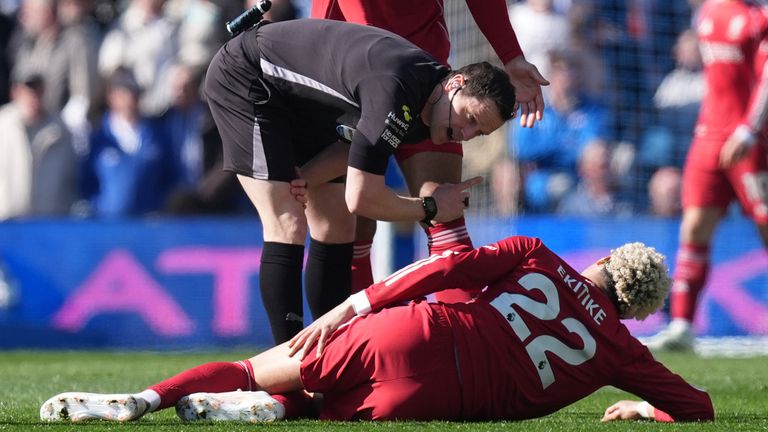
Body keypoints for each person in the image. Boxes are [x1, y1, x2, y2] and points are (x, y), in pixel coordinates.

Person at [39, 235, 714, 423]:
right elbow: (701, 409)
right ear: (635, 311)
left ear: (603, 261)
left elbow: (442, 266)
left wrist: (352, 307)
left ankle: (144, 401)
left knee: (252, 369)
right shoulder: (621, 352)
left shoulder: (537, 254)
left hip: (415, 333)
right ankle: (275, 412)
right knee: (319, 406)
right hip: (438, 401)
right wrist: (643, 409)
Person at [202, 18, 517, 344]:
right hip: (247, 75)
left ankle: (330, 356)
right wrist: (431, 207)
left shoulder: (426, 102)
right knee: (287, 222)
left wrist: (305, 178)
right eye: (470, 118)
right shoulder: (399, 89)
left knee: (336, 225)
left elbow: (356, 147)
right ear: (455, 84)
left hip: (300, 104)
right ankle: (288, 362)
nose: (466, 134)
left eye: (478, 132)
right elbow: (361, 197)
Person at [311, 0, 550, 305]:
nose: (470, 136)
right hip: (348, 75)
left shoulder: (444, 94)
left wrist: (511, 55)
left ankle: (465, 330)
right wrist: (371, 45)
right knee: (343, 229)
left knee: (445, 218)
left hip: (426, 81)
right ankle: (351, 334)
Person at [643, 0, 768, 352]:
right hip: (708, 137)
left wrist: (750, 129)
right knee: (694, 226)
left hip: (749, 141)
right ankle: (682, 325)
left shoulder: (758, 19)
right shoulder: (707, 13)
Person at [0, 70, 77, 220]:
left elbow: (70, 178)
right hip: (6, 222)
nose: (32, 96)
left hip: (47, 223)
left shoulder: (60, 131)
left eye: (37, 90)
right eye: (28, 90)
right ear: (15, 92)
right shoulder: (2, 125)